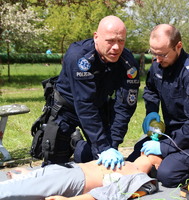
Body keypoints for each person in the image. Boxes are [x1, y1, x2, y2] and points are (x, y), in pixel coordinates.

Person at [127, 24, 189, 188]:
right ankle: (167, 158)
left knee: (168, 175)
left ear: (178, 46)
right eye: (153, 53)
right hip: (174, 129)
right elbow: (151, 90)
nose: (157, 60)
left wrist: (164, 147)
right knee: (133, 158)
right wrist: (152, 112)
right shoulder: (158, 65)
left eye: (162, 54)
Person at [39, 15, 140, 167]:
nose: (116, 47)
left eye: (121, 41)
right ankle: (70, 143)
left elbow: (125, 106)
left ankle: (78, 145)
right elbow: (84, 105)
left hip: (98, 107)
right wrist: (103, 146)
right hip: (67, 108)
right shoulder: (79, 57)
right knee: (54, 166)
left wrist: (112, 145)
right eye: (110, 41)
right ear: (96, 37)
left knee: (100, 162)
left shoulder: (128, 63)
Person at [0, 153, 161, 200]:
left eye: (154, 155)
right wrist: (33, 174)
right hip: (64, 170)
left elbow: (109, 193)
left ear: (156, 165)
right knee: (14, 188)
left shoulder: (140, 178)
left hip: (73, 180)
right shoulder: (125, 161)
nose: (146, 152)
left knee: (9, 192)